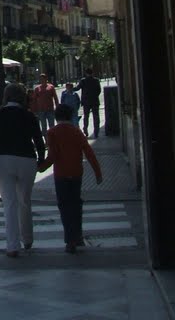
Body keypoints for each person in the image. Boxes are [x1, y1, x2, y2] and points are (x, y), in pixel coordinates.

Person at [0, 82, 45, 257]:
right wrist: (42, 159)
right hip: (27, 159)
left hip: (2, 160)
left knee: (9, 203)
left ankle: (12, 245)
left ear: (6, 97)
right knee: (25, 200)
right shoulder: (29, 116)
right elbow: (39, 140)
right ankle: (28, 238)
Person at [38, 104, 103, 253]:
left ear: (56, 117)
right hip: (76, 172)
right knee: (76, 204)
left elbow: (53, 156)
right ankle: (78, 235)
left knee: (64, 206)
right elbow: (89, 152)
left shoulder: (52, 132)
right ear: (70, 116)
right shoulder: (76, 132)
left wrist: (40, 168)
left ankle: (70, 240)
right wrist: (97, 173)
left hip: (61, 174)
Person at [76, 68, 102, 138]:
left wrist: (70, 88)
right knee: (96, 117)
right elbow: (99, 90)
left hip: (86, 101)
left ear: (86, 73)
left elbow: (78, 88)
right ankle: (96, 132)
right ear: (92, 73)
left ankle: (85, 129)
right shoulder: (96, 80)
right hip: (95, 101)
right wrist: (94, 96)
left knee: (86, 116)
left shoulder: (83, 80)